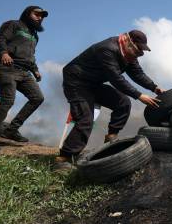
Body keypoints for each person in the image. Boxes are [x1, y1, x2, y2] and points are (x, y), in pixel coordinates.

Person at [55, 30, 163, 169]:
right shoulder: (107, 49)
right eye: (139, 48)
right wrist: (139, 95)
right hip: (76, 83)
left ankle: (111, 137)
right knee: (85, 119)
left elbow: (137, 74)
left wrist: (155, 88)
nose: (139, 53)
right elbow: (115, 78)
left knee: (123, 103)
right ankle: (64, 157)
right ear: (129, 42)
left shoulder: (129, 55)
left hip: (93, 84)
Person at [0, 6, 48, 151]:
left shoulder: (34, 35)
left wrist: (35, 70)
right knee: (8, 101)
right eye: (36, 14)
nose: (40, 17)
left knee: (37, 98)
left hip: (25, 72)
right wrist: (3, 53)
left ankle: (11, 130)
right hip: (7, 68)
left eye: (42, 15)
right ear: (27, 14)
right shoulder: (13, 24)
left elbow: (30, 56)